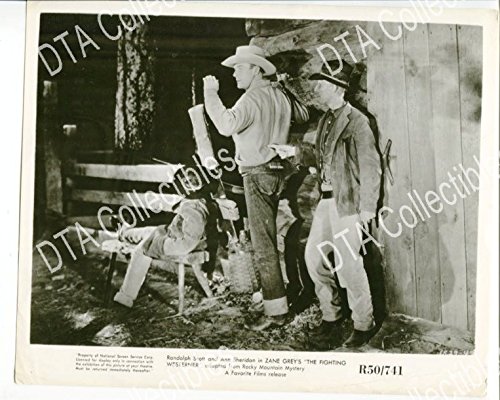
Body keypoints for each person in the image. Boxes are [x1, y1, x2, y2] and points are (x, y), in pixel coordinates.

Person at [273, 59, 382, 348]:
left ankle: (364, 323)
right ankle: (331, 316)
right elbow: (320, 157)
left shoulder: (357, 121)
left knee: (349, 265)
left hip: (348, 203)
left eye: (322, 84)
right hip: (326, 201)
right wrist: (294, 152)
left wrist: (368, 208)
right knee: (314, 258)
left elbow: (371, 167)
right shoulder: (326, 120)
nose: (317, 89)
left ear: (337, 88)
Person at [203, 45, 309, 330]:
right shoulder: (279, 94)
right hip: (279, 173)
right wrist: (284, 89)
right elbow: (302, 116)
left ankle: (276, 312)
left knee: (264, 245)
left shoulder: (251, 98)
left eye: (239, 68)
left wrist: (210, 94)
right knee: (280, 237)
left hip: (257, 174)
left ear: (255, 69)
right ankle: (281, 293)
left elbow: (226, 126)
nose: (234, 74)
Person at [113, 166, 220, 308]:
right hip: (173, 233)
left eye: (184, 184)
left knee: (141, 252)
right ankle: (124, 233)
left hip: (177, 243)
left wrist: (165, 244)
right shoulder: (195, 201)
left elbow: (190, 241)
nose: (179, 188)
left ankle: (126, 296)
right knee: (150, 231)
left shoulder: (194, 210)